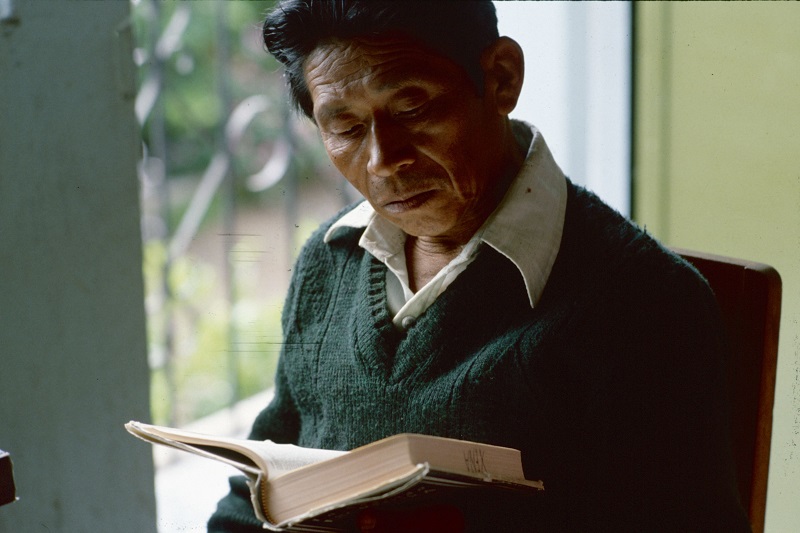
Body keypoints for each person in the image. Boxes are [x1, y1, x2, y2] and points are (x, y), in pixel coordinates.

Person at [209, 1, 750, 531]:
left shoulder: (644, 304)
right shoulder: (328, 265)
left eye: (412, 108)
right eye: (346, 127)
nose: (383, 160)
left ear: (501, 78)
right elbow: (258, 490)